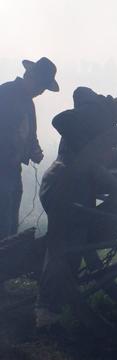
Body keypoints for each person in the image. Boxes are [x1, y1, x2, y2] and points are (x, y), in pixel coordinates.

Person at [35, 83, 117, 327]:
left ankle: (56, 307)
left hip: (77, 186)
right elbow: (62, 120)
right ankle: (46, 312)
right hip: (65, 182)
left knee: (73, 246)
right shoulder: (98, 111)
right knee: (63, 247)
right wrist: (93, 153)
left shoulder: (106, 117)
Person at [0, 57, 59, 241]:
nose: (41, 92)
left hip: (12, 168)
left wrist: (34, 149)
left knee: (10, 220)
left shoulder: (27, 102)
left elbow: (30, 133)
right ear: (29, 77)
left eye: (43, 88)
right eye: (40, 86)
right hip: (3, 166)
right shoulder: (5, 94)